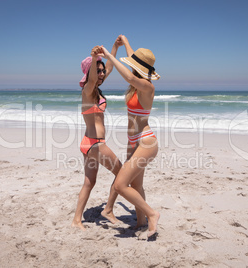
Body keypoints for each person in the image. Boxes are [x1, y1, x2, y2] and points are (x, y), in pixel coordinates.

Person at [98, 36, 161, 238]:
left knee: (120, 185)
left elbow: (131, 77)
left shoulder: (146, 86)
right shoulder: (138, 83)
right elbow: (134, 63)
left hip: (146, 141)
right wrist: (124, 42)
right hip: (133, 142)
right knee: (136, 185)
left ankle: (152, 214)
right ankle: (141, 222)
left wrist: (108, 54)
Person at [71, 38, 123, 231]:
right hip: (95, 144)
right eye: (97, 70)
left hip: (88, 143)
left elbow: (107, 69)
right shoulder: (88, 90)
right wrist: (94, 59)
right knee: (122, 173)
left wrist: (114, 48)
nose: (101, 73)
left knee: (89, 182)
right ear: (90, 71)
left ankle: (77, 220)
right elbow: (92, 78)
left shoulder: (97, 90)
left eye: (102, 71)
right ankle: (108, 210)